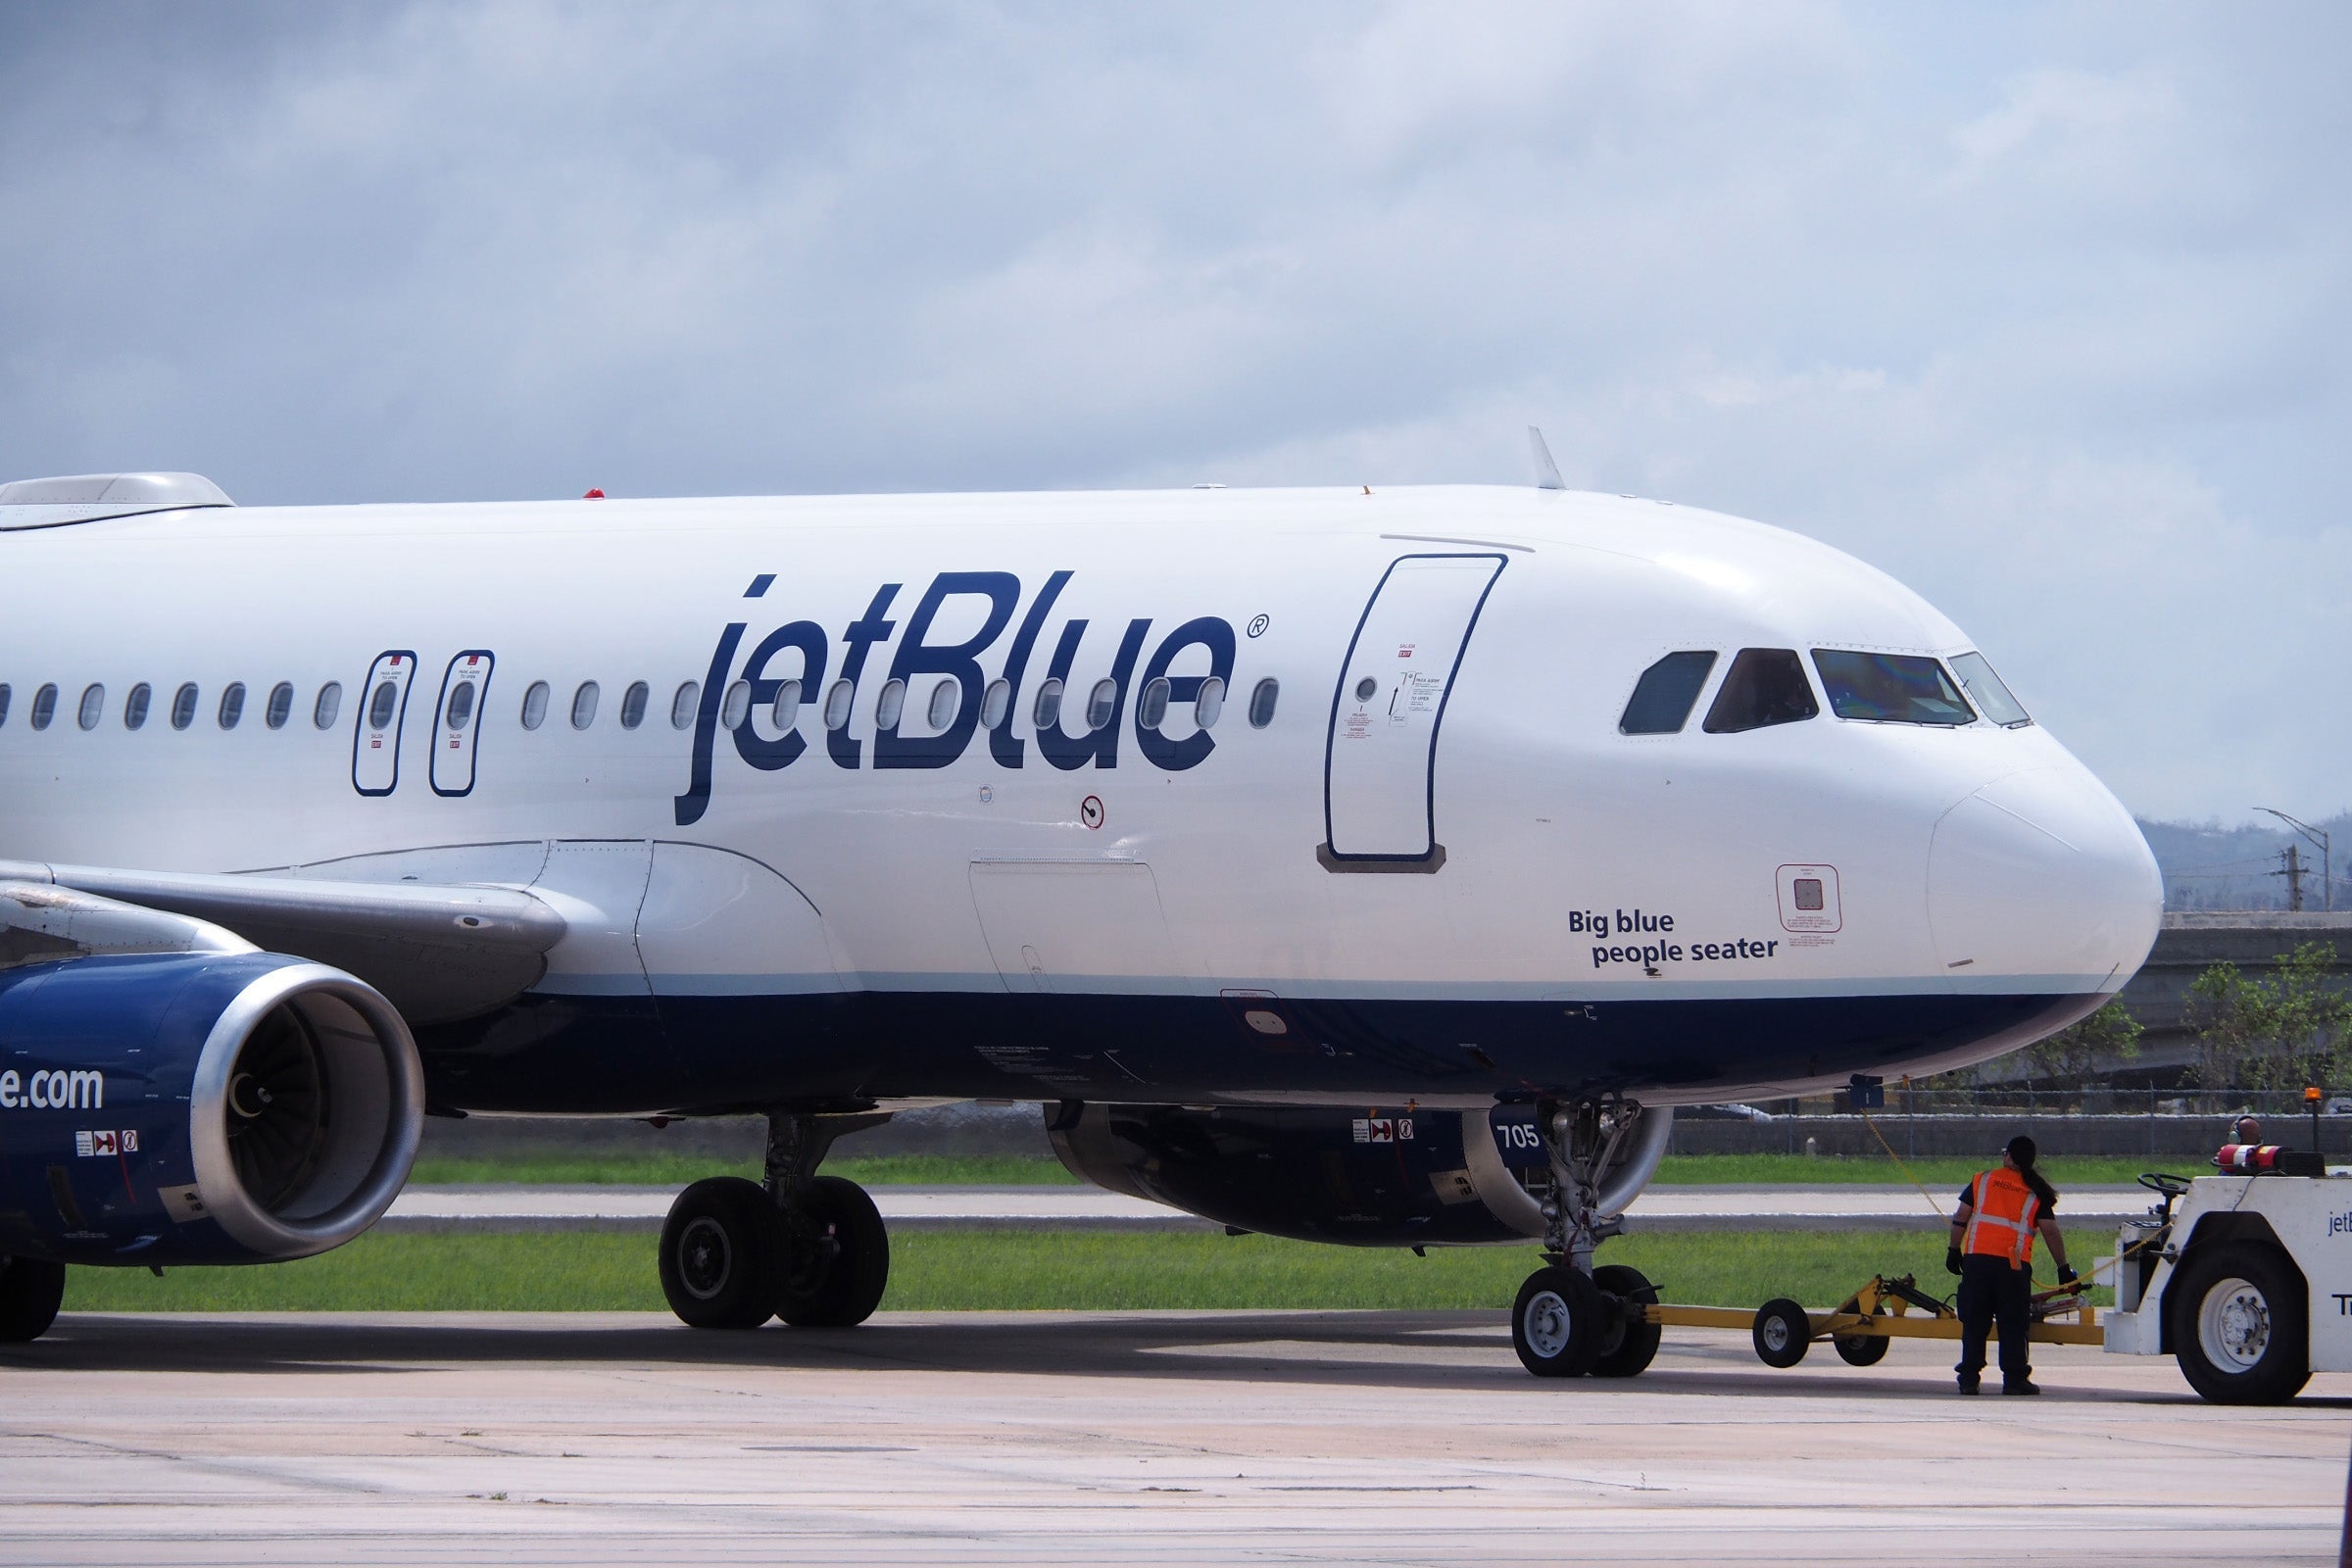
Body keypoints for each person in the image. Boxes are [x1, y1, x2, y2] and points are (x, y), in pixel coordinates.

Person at [1946, 1135, 2074, 1396]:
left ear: (2008, 1156)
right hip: (2013, 1267)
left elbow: (1961, 1216)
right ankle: (2015, 1378)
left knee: (1975, 1321)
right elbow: (2050, 1231)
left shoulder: (1983, 1180)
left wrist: (1953, 1249)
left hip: (1977, 1262)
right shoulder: (2036, 1192)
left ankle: (1969, 1378)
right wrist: (2063, 1267)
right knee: (2013, 1323)